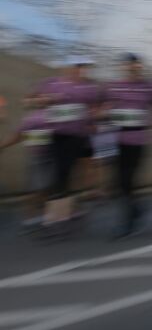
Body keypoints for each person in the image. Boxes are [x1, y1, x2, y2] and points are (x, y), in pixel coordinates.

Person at [29, 56, 102, 231]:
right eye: (76, 66)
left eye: (82, 67)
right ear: (66, 67)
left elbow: (97, 108)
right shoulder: (50, 83)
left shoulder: (89, 88)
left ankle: (57, 215)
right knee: (57, 174)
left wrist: (93, 118)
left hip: (76, 136)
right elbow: (28, 101)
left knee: (64, 172)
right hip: (53, 135)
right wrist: (41, 101)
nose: (79, 70)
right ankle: (60, 212)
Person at [103, 53, 152, 238]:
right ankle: (138, 207)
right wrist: (103, 112)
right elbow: (101, 107)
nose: (131, 68)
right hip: (114, 139)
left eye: (134, 65)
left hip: (138, 139)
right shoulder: (112, 87)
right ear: (121, 67)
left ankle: (125, 223)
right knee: (117, 183)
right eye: (126, 65)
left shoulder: (150, 86)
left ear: (139, 66)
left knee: (127, 180)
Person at [0, 107, 53, 233]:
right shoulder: (34, 116)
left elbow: (20, 135)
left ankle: (36, 217)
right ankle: (33, 218)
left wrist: (2, 145)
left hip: (46, 156)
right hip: (41, 156)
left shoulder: (36, 116)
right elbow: (21, 135)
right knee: (40, 188)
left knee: (42, 188)